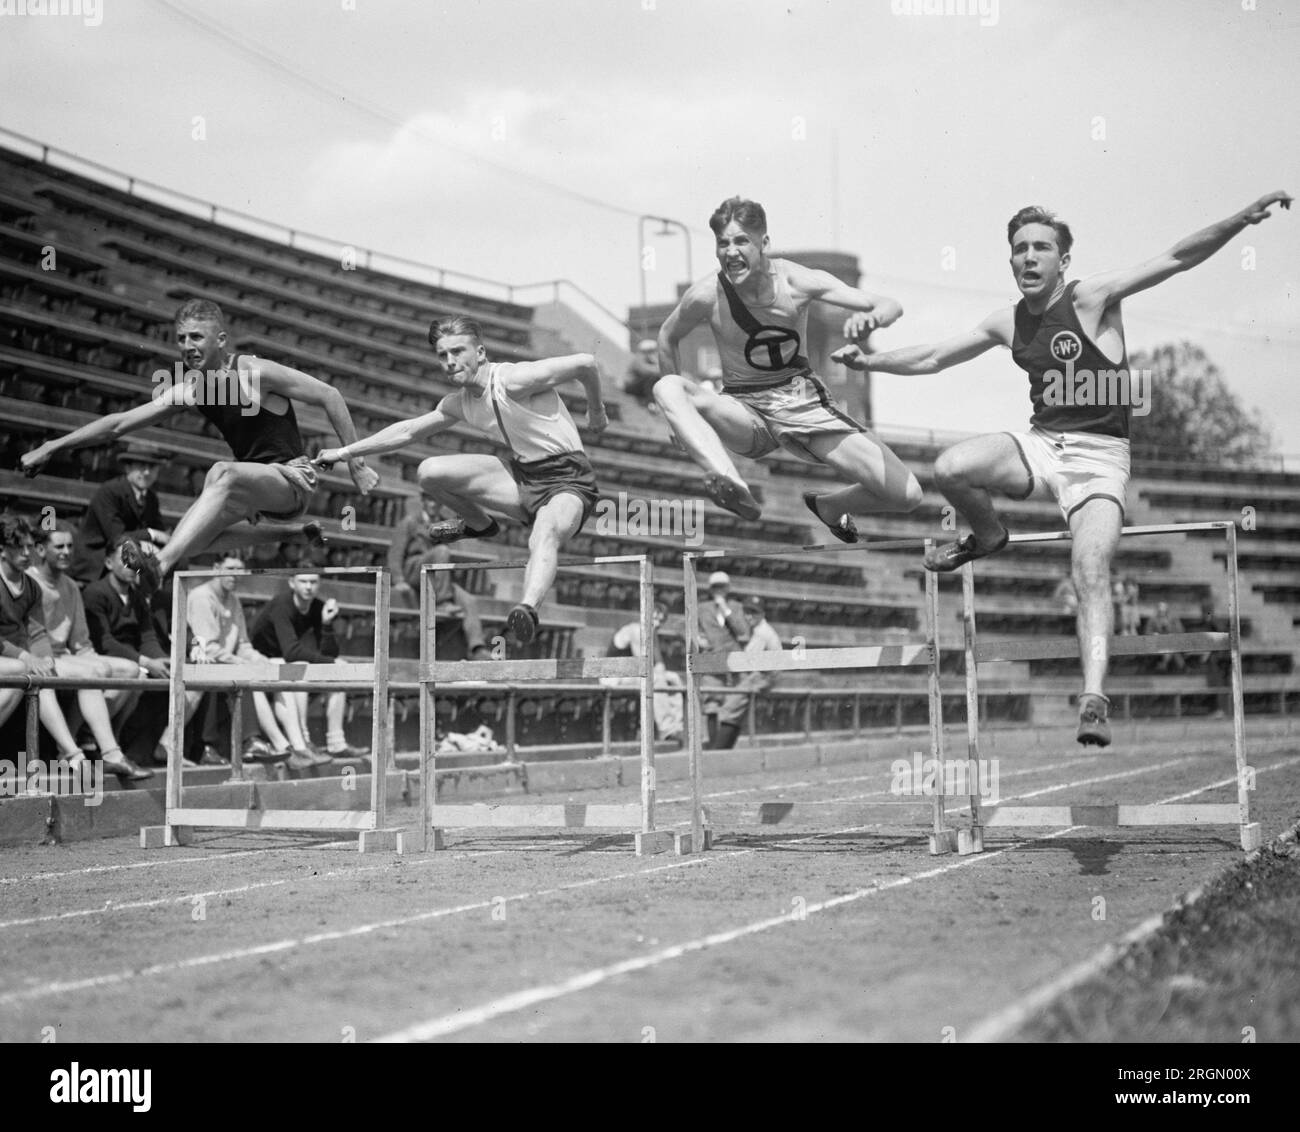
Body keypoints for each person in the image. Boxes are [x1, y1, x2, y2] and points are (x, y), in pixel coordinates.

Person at [834, 192, 1292, 746]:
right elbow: (934, 357)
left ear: (1062, 261)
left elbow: (1175, 258)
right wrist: (871, 361)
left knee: (1090, 571)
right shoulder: (1006, 321)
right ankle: (990, 533)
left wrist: (1239, 220)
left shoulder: (1092, 297)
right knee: (950, 466)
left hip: (1099, 462)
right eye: (1020, 249)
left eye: (1041, 248)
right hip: (1042, 444)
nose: (1029, 258)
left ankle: (1094, 699)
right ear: (1010, 261)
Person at [20, 298, 380, 596]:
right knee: (194, 538)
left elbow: (329, 395)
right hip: (253, 491)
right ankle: (293, 533)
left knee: (219, 474)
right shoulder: (193, 389)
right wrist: (54, 444)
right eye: (181, 338)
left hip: (290, 483)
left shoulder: (254, 371)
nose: (188, 346)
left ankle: (159, 566)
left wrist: (356, 464)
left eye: (197, 337)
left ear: (220, 339)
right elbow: (118, 424)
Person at [316, 316, 605, 646]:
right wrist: (344, 452)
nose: (450, 362)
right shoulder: (461, 402)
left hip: (569, 480)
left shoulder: (513, 379)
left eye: (458, 351)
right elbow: (408, 430)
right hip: (524, 477)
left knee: (545, 530)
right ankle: (479, 525)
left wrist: (596, 412)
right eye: (442, 355)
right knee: (429, 471)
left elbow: (586, 363)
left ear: (480, 352)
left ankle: (527, 609)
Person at [652, 196, 920, 541]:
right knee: (667, 387)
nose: (731, 252)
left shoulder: (796, 281)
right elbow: (666, 336)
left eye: (741, 241)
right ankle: (729, 480)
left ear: (763, 244)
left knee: (908, 495)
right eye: (723, 243)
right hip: (744, 411)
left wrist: (874, 318)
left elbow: (888, 304)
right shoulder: (705, 294)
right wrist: (679, 422)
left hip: (802, 405)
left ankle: (830, 507)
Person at [0, 516, 151, 778]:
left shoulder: (31, 586)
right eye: (18, 547)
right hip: (13, 657)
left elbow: (36, 631)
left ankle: (102, 752)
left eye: (27, 546)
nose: (25, 553)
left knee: (92, 673)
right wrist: (29, 657)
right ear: (2, 549)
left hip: (28, 656)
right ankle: (73, 753)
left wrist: (44, 659)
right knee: (27, 670)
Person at [185, 555, 318, 769]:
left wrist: (263, 662)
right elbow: (207, 648)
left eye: (240, 569)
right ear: (216, 568)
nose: (236, 574)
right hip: (204, 665)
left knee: (278, 670)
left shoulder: (233, 599)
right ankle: (272, 744)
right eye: (230, 568)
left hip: (227, 665)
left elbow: (244, 645)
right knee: (248, 673)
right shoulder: (202, 597)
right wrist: (245, 664)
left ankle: (298, 745)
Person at [248, 572, 371, 760]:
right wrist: (331, 663)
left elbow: (330, 653)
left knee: (338, 672)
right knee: (300, 667)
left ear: (319, 584)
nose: (308, 587)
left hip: (283, 663)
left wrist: (327, 624)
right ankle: (304, 741)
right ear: (291, 583)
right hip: (260, 660)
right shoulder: (282, 604)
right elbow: (291, 652)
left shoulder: (317, 607)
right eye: (303, 581)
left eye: (313, 582)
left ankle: (336, 744)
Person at [387, 495, 490, 659]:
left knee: (469, 600)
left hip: (435, 577)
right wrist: (399, 580)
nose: (434, 504)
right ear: (423, 502)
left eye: (437, 501)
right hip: (414, 570)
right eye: (430, 500)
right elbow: (395, 553)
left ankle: (477, 648)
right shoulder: (410, 522)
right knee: (442, 551)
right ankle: (443, 602)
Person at [68, 440, 172, 585]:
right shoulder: (109, 491)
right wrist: (152, 534)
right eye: (141, 466)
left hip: (128, 561)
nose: (147, 472)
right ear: (128, 467)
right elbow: (117, 538)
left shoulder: (151, 498)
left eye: (152, 466)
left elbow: (162, 533)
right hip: (96, 567)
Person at [603, 599, 684, 746]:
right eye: (654, 618)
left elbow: (659, 664)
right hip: (613, 676)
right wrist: (660, 676)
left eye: (661, 620)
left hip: (632, 675)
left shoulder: (652, 633)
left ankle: (677, 728)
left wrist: (665, 676)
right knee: (655, 679)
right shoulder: (636, 629)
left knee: (674, 679)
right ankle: (667, 729)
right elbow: (642, 664)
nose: (658, 623)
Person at [711, 595, 784, 751]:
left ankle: (719, 751)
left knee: (729, 708)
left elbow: (746, 662)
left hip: (765, 675)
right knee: (732, 708)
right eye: (747, 612)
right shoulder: (759, 628)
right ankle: (723, 751)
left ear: (762, 614)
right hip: (764, 674)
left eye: (754, 612)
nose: (749, 616)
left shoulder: (762, 632)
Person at [696, 570, 749, 743]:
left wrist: (725, 609)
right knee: (712, 702)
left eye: (722, 587)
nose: (719, 590)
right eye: (715, 587)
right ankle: (712, 745)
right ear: (710, 589)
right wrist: (697, 640)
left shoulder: (736, 607)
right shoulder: (702, 608)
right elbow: (683, 628)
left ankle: (725, 745)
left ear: (728, 588)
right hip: (712, 658)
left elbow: (742, 631)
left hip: (733, 658)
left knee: (732, 703)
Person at [1145, 600, 1186, 674]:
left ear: (1167, 610)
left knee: (1171, 648)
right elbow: (1147, 632)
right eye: (1160, 611)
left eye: (1163, 611)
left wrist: (1173, 633)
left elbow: (1181, 630)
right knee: (1172, 649)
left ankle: (1164, 665)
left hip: (1173, 641)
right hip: (1157, 643)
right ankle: (1182, 667)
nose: (1161, 613)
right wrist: (1153, 634)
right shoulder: (1152, 620)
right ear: (1157, 610)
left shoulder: (1173, 619)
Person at [623, 338, 662, 412]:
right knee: (651, 377)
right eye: (651, 351)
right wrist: (656, 364)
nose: (654, 353)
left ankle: (655, 402)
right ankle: (651, 403)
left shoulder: (650, 361)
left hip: (640, 386)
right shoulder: (638, 359)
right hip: (630, 386)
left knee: (656, 379)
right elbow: (645, 371)